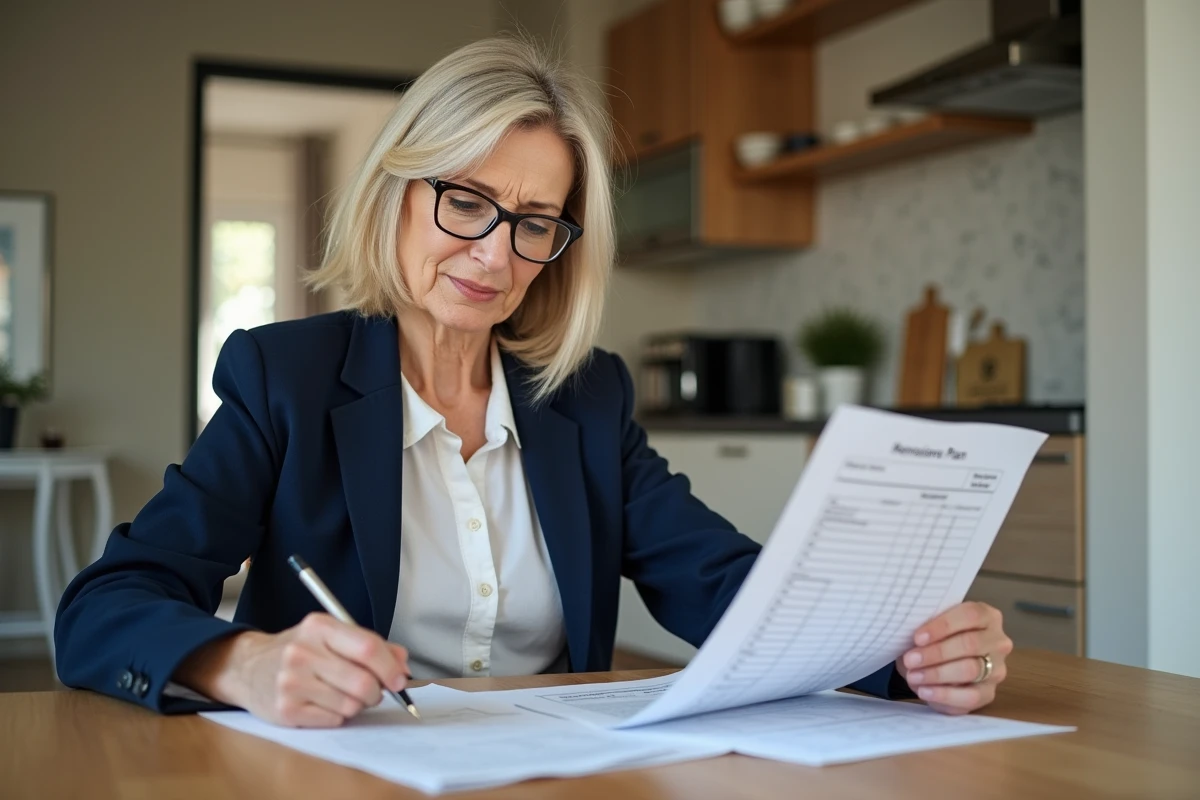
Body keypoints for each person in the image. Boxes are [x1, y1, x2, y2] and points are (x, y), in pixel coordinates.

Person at [55, 36, 1011, 727]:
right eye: (466, 201)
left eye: (534, 223)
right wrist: (246, 664)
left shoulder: (585, 398)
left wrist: (907, 655)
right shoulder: (286, 379)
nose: (494, 252)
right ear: (398, 192)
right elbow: (105, 606)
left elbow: (725, 584)